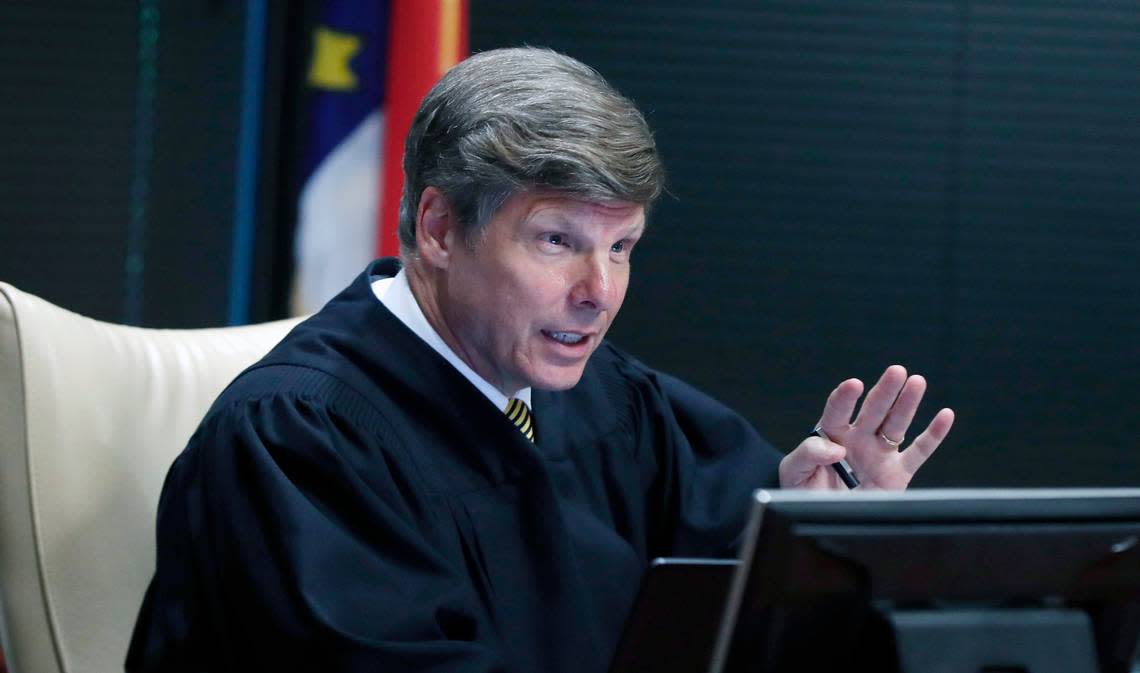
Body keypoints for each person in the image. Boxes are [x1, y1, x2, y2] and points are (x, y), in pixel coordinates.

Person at [126, 47, 954, 673]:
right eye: (558, 240)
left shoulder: (613, 404)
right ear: (440, 228)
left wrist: (823, 543)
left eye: (622, 246)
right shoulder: (298, 439)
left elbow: (723, 602)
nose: (600, 291)